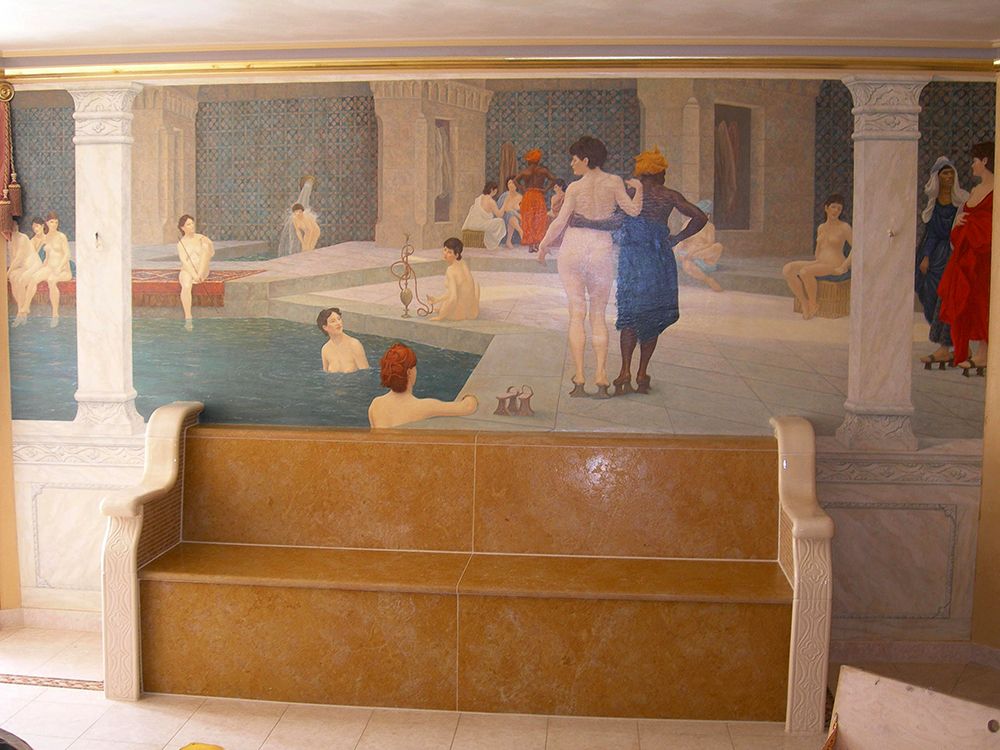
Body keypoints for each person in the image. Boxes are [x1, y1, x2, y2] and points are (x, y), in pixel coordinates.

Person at [537, 135, 644, 398]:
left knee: (576, 314)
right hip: (599, 250)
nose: (571, 164)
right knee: (598, 315)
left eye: (574, 159)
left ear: (586, 159)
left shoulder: (574, 188)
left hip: (573, 249)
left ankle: (579, 377)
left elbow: (560, 222)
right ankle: (601, 376)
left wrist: (543, 245)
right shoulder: (614, 182)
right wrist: (639, 189)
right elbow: (633, 211)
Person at [613, 147, 707, 396]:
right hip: (658, 258)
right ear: (659, 172)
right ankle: (642, 373)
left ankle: (624, 371)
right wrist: (677, 238)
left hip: (633, 258)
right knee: (652, 316)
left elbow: (616, 222)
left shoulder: (630, 193)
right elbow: (700, 217)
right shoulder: (668, 195)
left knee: (629, 315)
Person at [938, 141, 994, 375]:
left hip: (985, 255)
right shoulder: (975, 190)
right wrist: (960, 222)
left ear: (985, 161)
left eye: (975, 161)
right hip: (968, 254)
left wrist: (972, 224)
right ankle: (976, 352)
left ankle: (984, 354)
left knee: (983, 301)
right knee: (968, 300)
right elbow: (966, 217)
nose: (972, 165)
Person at [915, 157, 970, 367]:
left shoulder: (962, 200)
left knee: (949, 299)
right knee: (930, 294)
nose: (949, 176)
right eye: (945, 173)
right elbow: (933, 234)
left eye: (951, 173)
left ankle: (951, 347)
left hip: (955, 253)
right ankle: (947, 345)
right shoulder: (934, 203)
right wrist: (926, 257)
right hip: (937, 254)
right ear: (937, 178)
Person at [368, 342, 479, 428]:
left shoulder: (376, 404)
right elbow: (468, 407)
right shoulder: (423, 407)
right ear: (409, 372)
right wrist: (469, 397)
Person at [782, 194, 853, 320]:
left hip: (835, 264)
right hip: (821, 262)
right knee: (788, 269)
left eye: (839, 209)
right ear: (826, 208)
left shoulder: (844, 227)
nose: (836, 211)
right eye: (833, 207)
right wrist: (816, 262)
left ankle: (813, 304)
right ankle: (804, 302)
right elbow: (818, 248)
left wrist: (843, 267)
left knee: (805, 272)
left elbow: (856, 247)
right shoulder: (821, 227)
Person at [30, 212, 73, 327]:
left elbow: (67, 255)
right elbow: (47, 257)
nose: (54, 225)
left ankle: (55, 314)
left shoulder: (61, 236)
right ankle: (24, 309)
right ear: (47, 223)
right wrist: (41, 268)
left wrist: (59, 268)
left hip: (63, 270)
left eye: (56, 222)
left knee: (51, 280)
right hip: (50, 267)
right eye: (52, 222)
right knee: (34, 277)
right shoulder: (47, 237)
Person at [674, 199, 725, 293]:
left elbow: (709, 243)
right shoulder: (688, 223)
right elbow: (682, 241)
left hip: (702, 256)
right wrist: (675, 255)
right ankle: (709, 281)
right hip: (686, 255)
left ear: (708, 216)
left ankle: (690, 256)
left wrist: (693, 252)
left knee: (718, 246)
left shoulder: (710, 227)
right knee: (686, 263)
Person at [514, 149, 558, 253]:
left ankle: (531, 245)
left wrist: (522, 189)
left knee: (528, 220)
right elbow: (554, 180)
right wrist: (545, 190)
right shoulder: (543, 171)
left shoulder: (525, 171)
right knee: (539, 219)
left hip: (528, 195)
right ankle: (538, 244)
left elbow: (515, 180)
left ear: (529, 161)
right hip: (538, 195)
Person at [176, 214, 215, 331]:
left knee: (205, 246)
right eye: (188, 224)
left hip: (201, 269)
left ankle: (200, 275)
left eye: (192, 223)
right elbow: (184, 261)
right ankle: (188, 316)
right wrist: (193, 274)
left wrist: (209, 243)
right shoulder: (181, 244)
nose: (192, 226)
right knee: (186, 286)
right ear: (182, 228)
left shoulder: (201, 238)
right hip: (188, 269)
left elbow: (211, 254)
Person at [427, 237, 480, 321]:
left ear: (456, 255)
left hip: (459, 315)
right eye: (445, 250)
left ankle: (442, 310)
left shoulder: (451, 270)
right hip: (473, 313)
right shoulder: (463, 263)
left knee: (447, 300)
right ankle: (441, 304)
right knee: (475, 285)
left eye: (449, 252)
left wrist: (440, 316)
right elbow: (460, 290)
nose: (445, 254)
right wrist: (438, 299)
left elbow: (453, 298)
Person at [8, 219, 44, 326]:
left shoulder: (23, 238)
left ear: (17, 226)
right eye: (11, 226)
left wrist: (6, 273)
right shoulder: (10, 241)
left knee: (22, 279)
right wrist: (9, 272)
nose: (14, 228)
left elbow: (18, 258)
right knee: (13, 276)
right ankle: (22, 309)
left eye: (15, 225)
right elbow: (13, 259)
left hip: (35, 265)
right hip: (26, 267)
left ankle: (20, 313)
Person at [317, 307, 369, 373]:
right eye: (333, 321)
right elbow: (325, 375)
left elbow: (365, 373)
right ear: (325, 327)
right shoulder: (325, 349)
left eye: (339, 319)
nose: (338, 323)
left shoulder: (354, 344)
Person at [461, 181, 507, 251]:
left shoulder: (479, 198)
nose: (496, 192)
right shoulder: (491, 201)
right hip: (480, 224)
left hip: (472, 224)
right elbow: (499, 215)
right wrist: (505, 204)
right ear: (492, 190)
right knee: (500, 222)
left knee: (493, 222)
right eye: (495, 190)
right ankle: (493, 245)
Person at [496, 179, 522, 249]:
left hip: (516, 218)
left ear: (517, 185)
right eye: (509, 183)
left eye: (513, 183)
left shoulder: (520, 197)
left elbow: (521, 211)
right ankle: (520, 231)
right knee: (510, 214)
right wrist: (513, 211)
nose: (511, 185)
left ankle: (508, 241)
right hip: (504, 217)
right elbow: (503, 208)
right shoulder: (505, 195)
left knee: (512, 215)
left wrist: (514, 212)